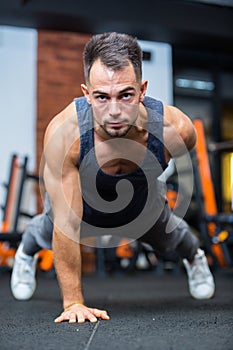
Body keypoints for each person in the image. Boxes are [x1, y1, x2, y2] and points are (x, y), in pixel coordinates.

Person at [11, 32, 215, 324]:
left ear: (142, 90)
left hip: (142, 199)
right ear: (86, 93)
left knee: (170, 238)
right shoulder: (65, 133)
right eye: (102, 97)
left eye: (126, 95)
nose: (114, 111)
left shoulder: (176, 130)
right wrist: (73, 303)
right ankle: (24, 255)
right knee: (46, 228)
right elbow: (67, 224)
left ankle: (196, 259)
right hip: (82, 199)